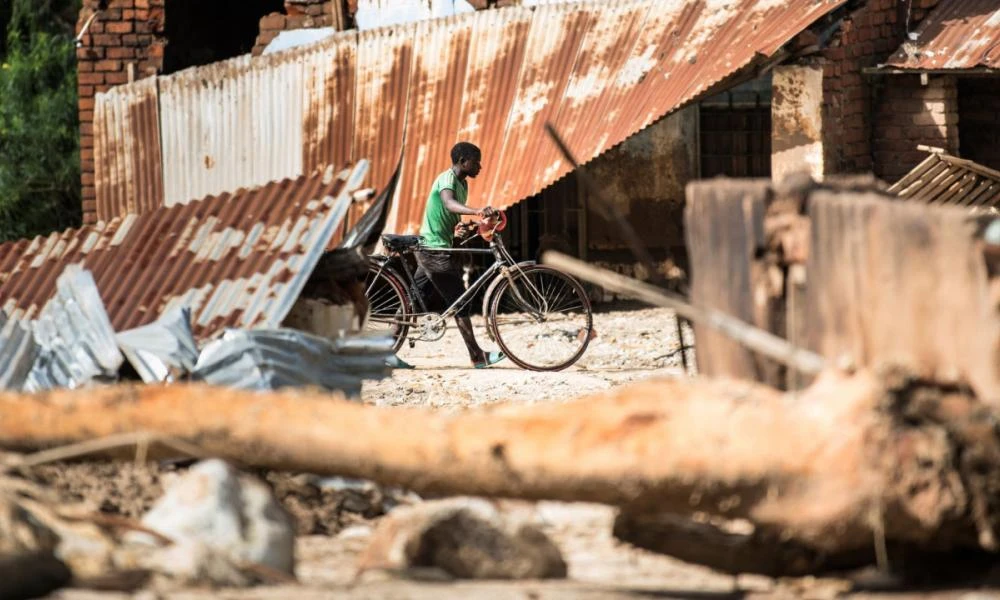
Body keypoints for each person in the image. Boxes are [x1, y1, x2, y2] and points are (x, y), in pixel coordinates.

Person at [415, 142, 505, 368]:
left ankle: (386, 351)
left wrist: (467, 226)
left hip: (435, 246)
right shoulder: (447, 180)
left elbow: (449, 214)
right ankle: (477, 356)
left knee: (412, 300)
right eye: (477, 161)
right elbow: (448, 203)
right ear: (463, 161)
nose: (480, 166)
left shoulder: (462, 184)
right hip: (434, 249)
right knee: (460, 300)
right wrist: (477, 210)